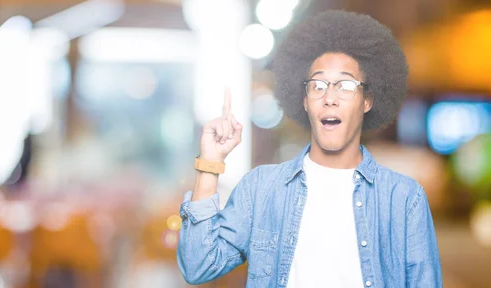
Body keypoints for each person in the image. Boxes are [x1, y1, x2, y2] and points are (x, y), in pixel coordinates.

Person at [177, 10, 442, 288]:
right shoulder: (261, 189)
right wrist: (210, 162)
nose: (329, 98)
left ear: (367, 101)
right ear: (305, 101)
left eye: (345, 85)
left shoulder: (403, 199)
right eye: (318, 85)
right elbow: (198, 267)